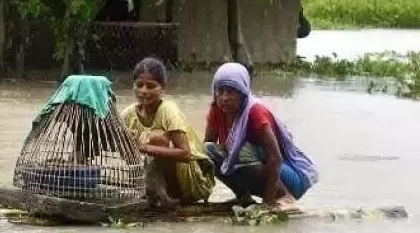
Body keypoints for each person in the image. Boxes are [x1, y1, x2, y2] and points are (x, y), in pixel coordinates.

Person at [204, 62, 319, 209]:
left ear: (243, 92)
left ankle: (283, 197)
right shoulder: (217, 109)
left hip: (285, 177)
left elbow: (275, 158)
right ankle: (243, 197)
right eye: (220, 91)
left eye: (231, 91)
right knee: (208, 150)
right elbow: (207, 155)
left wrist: (267, 204)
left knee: (241, 149)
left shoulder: (255, 112)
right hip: (257, 169)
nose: (224, 97)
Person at [121, 57, 215, 208]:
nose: (143, 91)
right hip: (155, 177)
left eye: (150, 86)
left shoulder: (167, 110)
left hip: (192, 181)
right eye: (139, 85)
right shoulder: (129, 113)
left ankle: (171, 197)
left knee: (157, 138)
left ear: (163, 88)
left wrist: (143, 147)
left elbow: (185, 153)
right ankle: (152, 193)